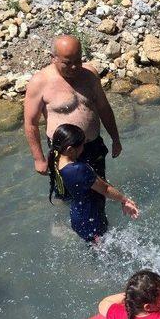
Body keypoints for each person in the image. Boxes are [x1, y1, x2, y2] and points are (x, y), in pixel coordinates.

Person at [23, 34, 121, 197]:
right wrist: (38, 158)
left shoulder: (90, 74)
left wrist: (115, 139)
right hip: (64, 153)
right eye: (68, 63)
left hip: (92, 145)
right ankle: (63, 223)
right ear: (53, 58)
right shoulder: (40, 82)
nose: (74, 67)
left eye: (78, 61)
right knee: (66, 195)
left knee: (101, 189)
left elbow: (103, 108)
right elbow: (30, 123)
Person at [48, 123, 139, 243]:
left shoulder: (56, 158)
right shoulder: (79, 169)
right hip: (91, 219)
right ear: (70, 149)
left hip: (79, 216)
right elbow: (105, 189)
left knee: (96, 247)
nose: (84, 148)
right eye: (82, 145)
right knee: (104, 251)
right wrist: (124, 200)